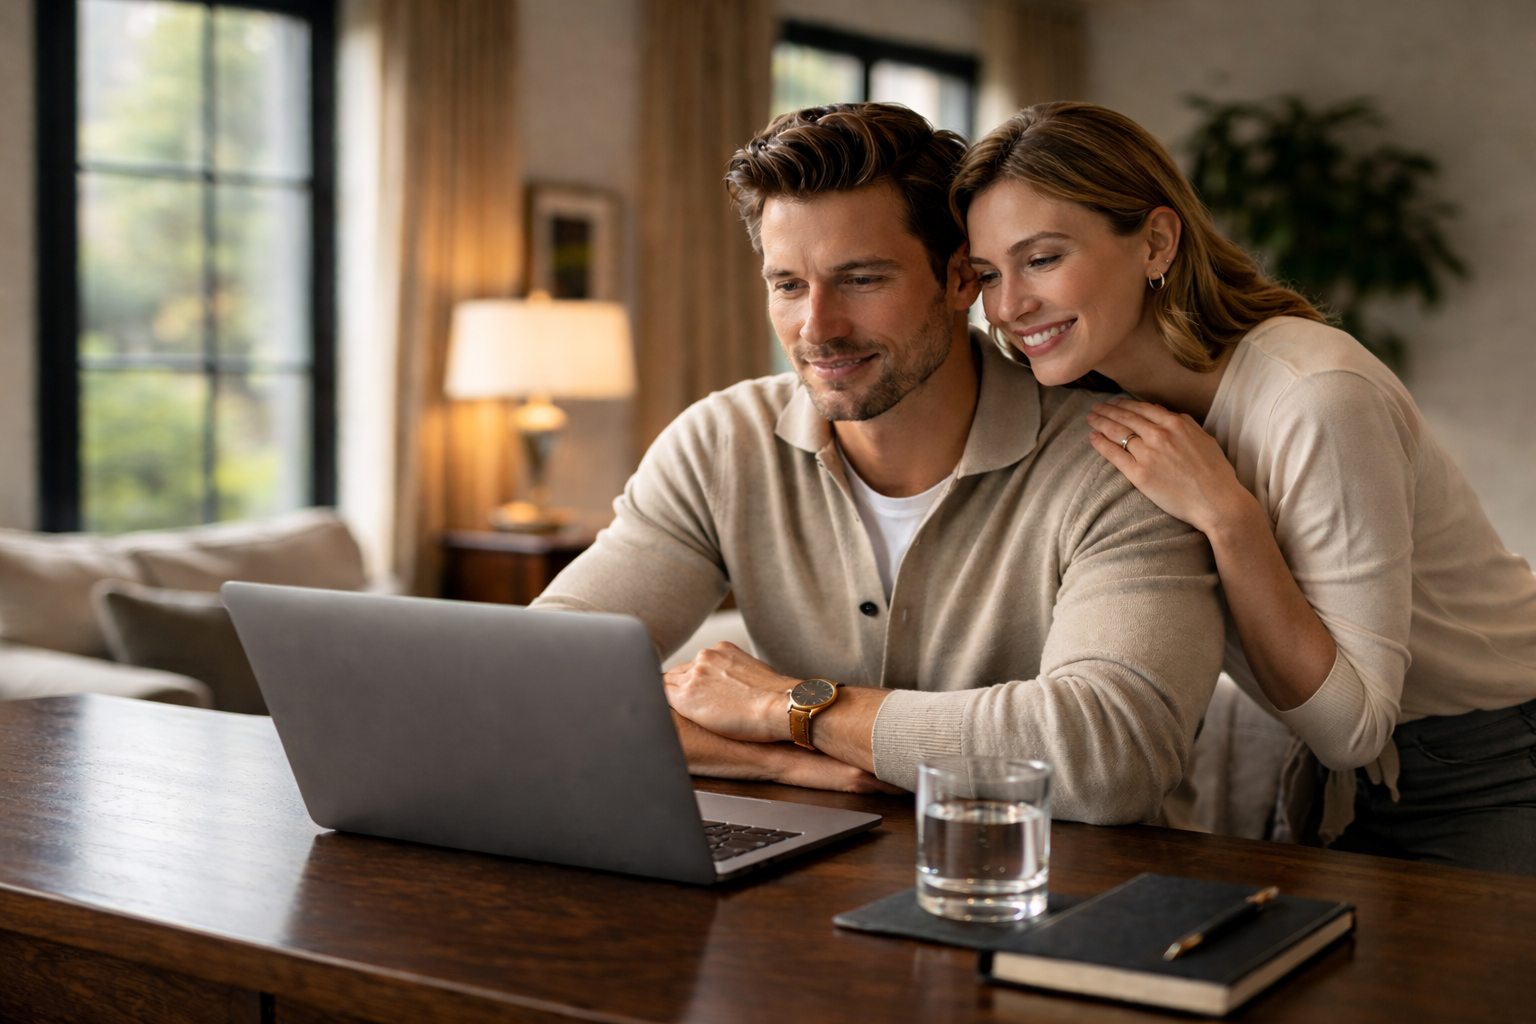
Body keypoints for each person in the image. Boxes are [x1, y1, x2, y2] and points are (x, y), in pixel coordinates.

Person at [530, 103, 1224, 825]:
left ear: (961, 281)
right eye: (788, 285)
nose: (817, 328)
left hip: (1064, 882)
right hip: (810, 873)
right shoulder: (720, 443)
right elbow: (542, 677)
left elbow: (1111, 757)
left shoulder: (1127, 460)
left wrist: (787, 707)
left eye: (861, 279)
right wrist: (782, 759)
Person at [957, 101, 1536, 874]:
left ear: (1157, 242)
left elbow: (1353, 728)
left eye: (1043, 259)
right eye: (988, 275)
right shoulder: (1097, 406)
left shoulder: (1316, 397)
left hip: (1496, 766)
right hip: (1344, 785)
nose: (1008, 307)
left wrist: (1228, 516)